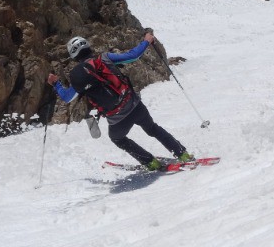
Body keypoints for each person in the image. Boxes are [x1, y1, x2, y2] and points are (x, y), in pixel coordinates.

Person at [47, 31, 194, 171]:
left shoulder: (79, 76)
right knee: (152, 129)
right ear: (88, 46)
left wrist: (56, 84)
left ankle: (150, 162)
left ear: (73, 56)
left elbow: (67, 97)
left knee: (118, 139)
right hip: (135, 106)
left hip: (117, 119)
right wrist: (146, 41)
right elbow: (133, 56)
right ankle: (182, 154)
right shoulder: (104, 58)